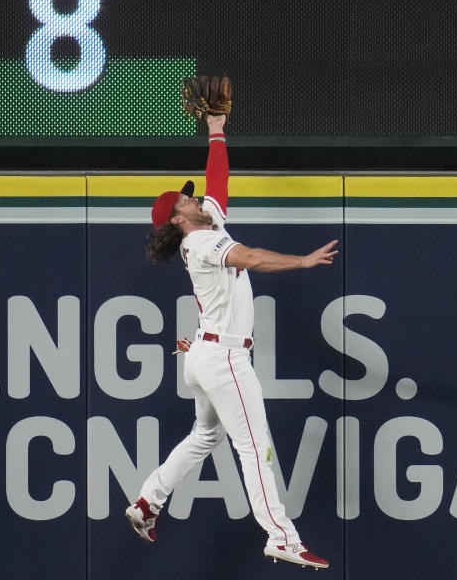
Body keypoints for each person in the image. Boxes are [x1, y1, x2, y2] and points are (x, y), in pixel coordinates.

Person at [125, 112, 337, 569]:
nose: (195, 195)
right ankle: (281, 536)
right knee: (254, 445)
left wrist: (216, 130)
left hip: (206, 351)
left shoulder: (206, 225)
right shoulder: (201, 244)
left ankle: (147, 501)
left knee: (204, 435)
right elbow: (252, 257)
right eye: (186, 198)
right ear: (179, 217)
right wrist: (300, 263)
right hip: (223, 358)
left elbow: (217, 183)